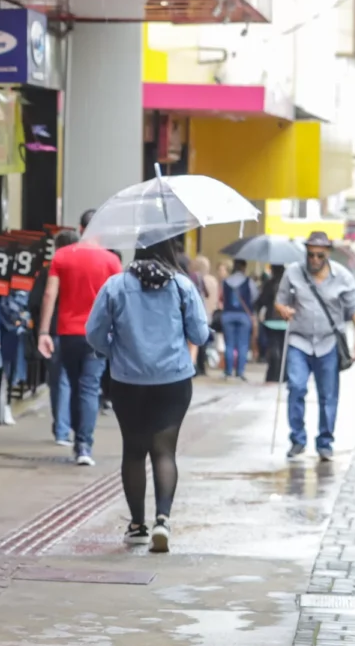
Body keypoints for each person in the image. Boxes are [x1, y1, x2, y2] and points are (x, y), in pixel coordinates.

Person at [86, 235, 209, 554]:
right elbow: (200, 333)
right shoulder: (182, 286)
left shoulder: (115, 286)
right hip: (174, 380)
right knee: (164, 451)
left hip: (128, 380)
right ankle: (163, 520)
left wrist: (112, 351)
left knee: (134, 450)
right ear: (170, 249)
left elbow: (94, 333)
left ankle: (137, 526)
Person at [37, 207, 122, 468]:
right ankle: (84, 444)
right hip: (98, 336)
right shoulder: (111, 261)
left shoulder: (62, 256)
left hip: (68, 334)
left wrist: (43, 332)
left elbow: (50, 295)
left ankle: (77, 439)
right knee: (89, 387)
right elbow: (119, 299)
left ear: (81, 228)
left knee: (75, 386)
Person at [274, 231, 355, 461]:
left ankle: (325, 442)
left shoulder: (343, 277)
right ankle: (297, 439)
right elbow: (280, 301)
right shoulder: (293, 272)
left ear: (328, 254)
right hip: (299, 340)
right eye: (311, 254)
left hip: (328, 343)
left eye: (319, 255)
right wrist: (283, 310)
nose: (314, 259)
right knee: (296, 387)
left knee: (328, 395)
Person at [31, 228, 80, 445]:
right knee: (81, 382)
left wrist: (40, 330)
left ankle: (61, 429)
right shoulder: (84, 268)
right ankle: (75, 429)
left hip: (54, 331)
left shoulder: (50, 270)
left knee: (59, 381)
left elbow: (35, 301)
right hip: (82, 331)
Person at [220, 258, 257, 379]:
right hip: (243, 315)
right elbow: (254, 296)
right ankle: (240, 371)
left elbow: (222, 297)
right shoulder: (248, 281)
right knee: (243, 344)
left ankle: (228, 371)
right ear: (244, 267)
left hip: (228, 314)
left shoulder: (226, 281)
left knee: (229, 344)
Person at [256, 264, 288, 383]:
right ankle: (283, 374)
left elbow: (261, 300)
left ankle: (273, 373)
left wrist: (259, 311)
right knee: (283, 347)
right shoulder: (289, 285)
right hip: (285, 321)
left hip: (271, 321)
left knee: (273, 346)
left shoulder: (269, 284)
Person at [189, 255, 220, 377]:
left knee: (196, 340)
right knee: (204, 339)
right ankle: (202, 365)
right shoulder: (211, 279)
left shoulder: (193, 277)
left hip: (199, 311)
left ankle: (198, 365)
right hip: (208, 312)